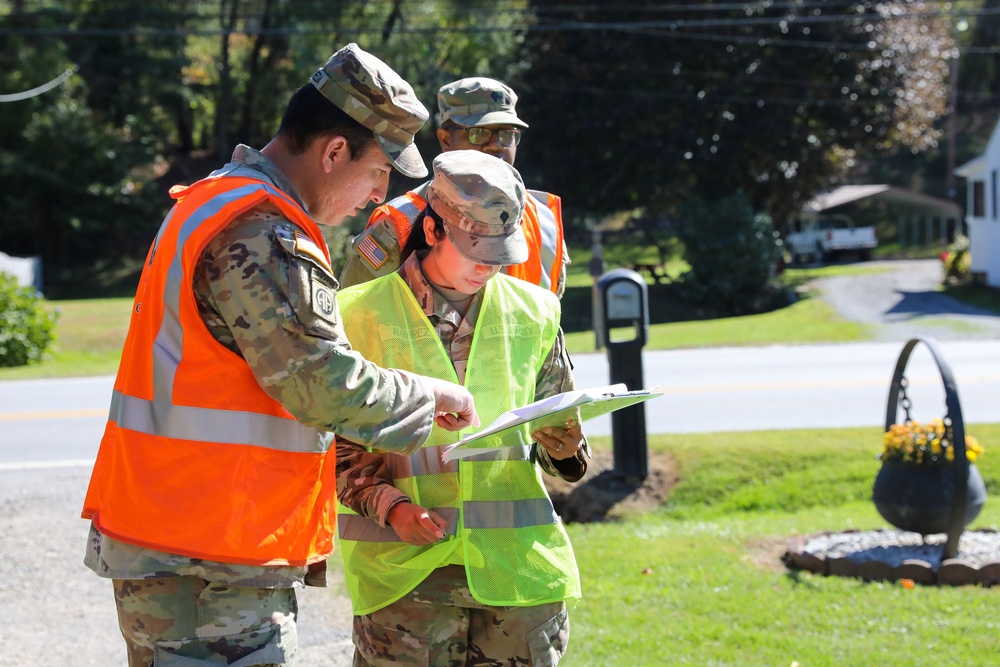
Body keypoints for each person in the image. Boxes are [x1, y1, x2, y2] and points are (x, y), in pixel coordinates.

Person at [80, 43, 479, 667]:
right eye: (380, 172)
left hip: (189, 541)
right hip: (208, 551)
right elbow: (320, 382)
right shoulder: (265, 233)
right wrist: (430, 395)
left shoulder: (217, 199)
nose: (379, 197)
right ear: (334, 152)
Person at [335, 150, 589, 666]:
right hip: (407, 579)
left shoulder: (535, 311)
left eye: (501, 253)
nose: (490, 267)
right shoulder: (358, 315)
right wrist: (393, 508)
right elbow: (333, 448)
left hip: (517, 580)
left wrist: (569, 451)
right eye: (477, 251)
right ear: (431, 230)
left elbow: (557, 429)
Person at [339, 76, 570, 297]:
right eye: (478, 133)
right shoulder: (399, 221)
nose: (495, 145)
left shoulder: (543, 217)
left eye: (507, 134)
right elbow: (352, 317)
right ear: (445, 139)